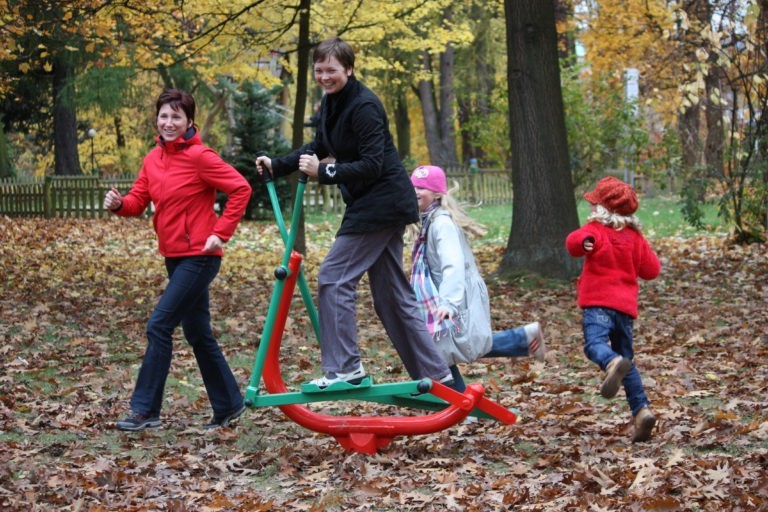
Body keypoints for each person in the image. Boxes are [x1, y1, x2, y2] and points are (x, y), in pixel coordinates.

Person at [255, 37, 452, 390]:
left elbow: (373, 164)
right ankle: (442, 381)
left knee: (333, 276)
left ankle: (346, 368)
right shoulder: (331, 103)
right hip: (373, 204)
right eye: (319, 71)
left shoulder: (364, 106)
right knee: (392, 297)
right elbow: (319, 146)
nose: (324, 77)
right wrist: (279, 164)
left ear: (349, 68)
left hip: (382, 203)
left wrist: (325, 173)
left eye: (331, 70)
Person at [103, 88, 252, 431]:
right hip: (174, 256)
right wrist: (118, 204)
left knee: (159, 325)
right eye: (164, 116)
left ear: (189, 121)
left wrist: (222, 231)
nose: (169, 123)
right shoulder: (152, 159)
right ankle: (229, 404)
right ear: (157, 119)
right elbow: (138, 201)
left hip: (200, 255)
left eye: (176, 117)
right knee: (198, 333)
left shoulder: (200, 157)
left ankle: (145, 410)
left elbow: (241, 187)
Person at [409, 165, 546, 392]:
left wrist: (448, 303)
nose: (415, 191)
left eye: (422, 187)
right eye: (413, 185)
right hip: (440, 295)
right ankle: (524, 338)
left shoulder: (441, 223)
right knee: (446, 349)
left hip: (454, 295)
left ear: (437, 194)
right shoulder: (429, 221)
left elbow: (452, 265)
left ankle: (461, 409)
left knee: (444, 350)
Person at [565, 176, 661, 443]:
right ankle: (641, 412)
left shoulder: (595, 230)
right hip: (625, 311)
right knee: (628, 362)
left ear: (603, 209)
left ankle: (611, 362)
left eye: (595, 204)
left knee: (594, 344)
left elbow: (574, 242)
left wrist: (585, 242)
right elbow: (652, 270)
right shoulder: (635, 238)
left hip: (598, 304)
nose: (592, 209)